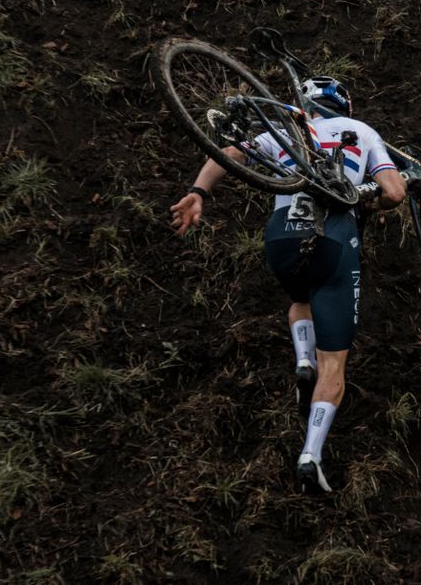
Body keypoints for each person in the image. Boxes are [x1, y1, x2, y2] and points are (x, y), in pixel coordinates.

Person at [170, 76, 406, 493]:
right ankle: (310, 455)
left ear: (307, 106)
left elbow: (226, 153)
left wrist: (196, 192)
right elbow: (394, 191)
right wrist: (371, 202)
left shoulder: (287, 130)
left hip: (281, 237)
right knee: (334, 363)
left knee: (300, 296)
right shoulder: (362, 131)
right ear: (344, 106)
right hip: (335, 240)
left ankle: (301, 359)